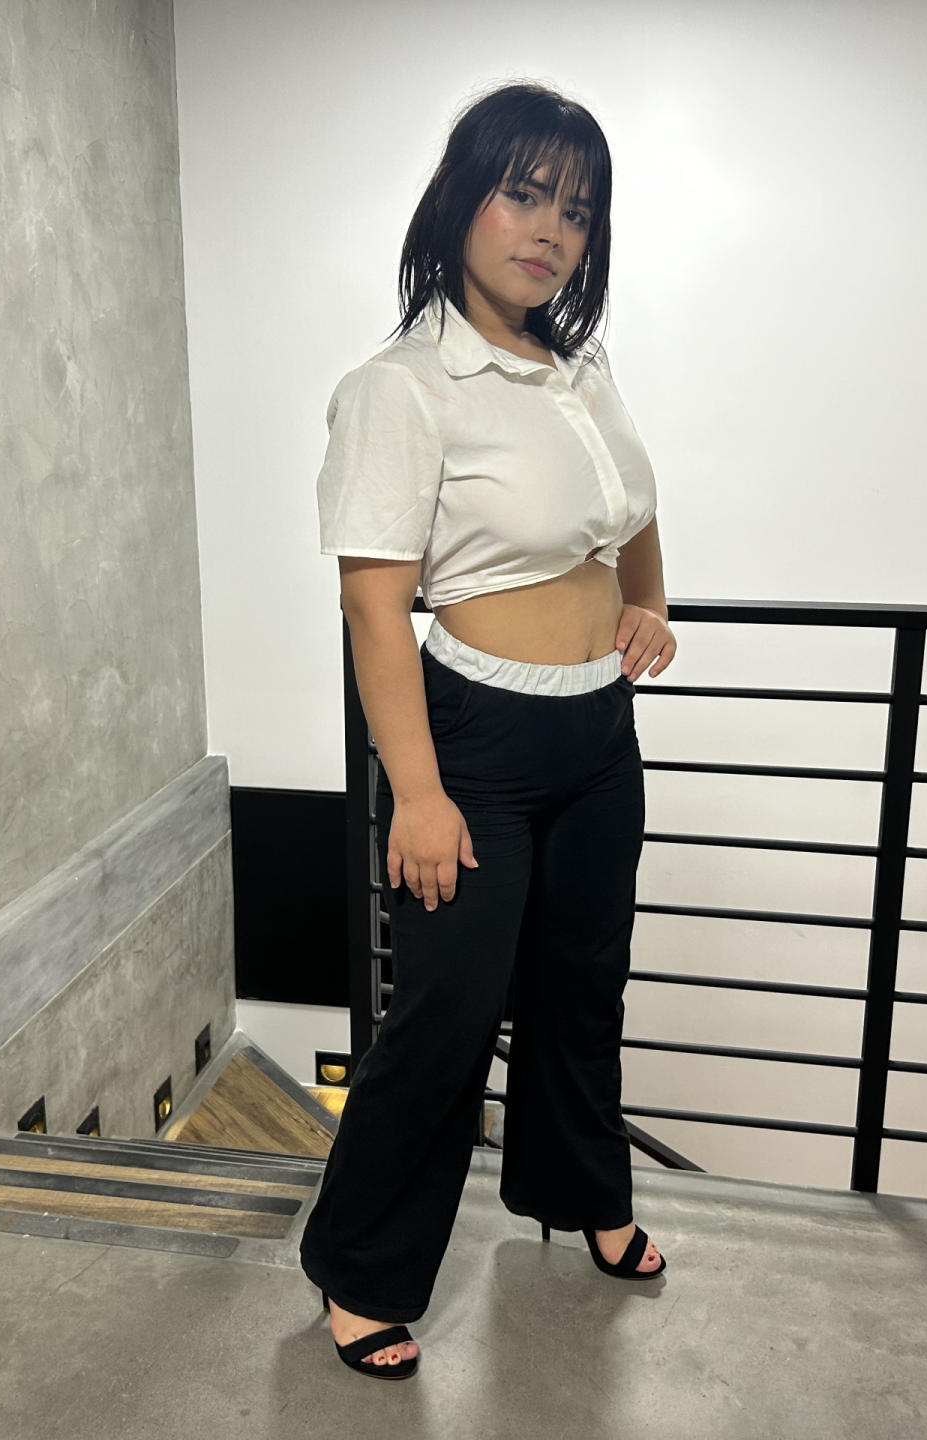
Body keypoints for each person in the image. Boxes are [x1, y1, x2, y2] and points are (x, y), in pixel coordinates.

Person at [301, 81, 676, 1381]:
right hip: (476, 746)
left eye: (576, 208)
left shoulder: (581, 368)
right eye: (523, 194)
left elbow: (631, 504)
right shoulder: (403, 388)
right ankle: (360, 1269)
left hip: (598, 737)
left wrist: (649, 603)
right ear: (462, 197)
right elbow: (373, 603)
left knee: (583, 989)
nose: (550, 229)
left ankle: (583, 1193)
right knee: (446, 1021)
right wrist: (417, 793)